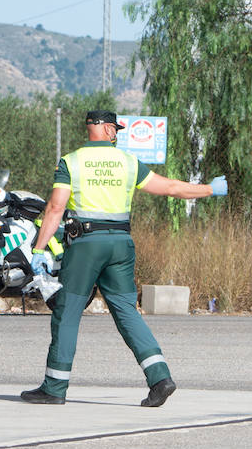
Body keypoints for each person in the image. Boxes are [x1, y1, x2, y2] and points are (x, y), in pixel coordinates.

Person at [19, 111, 228, 407]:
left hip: (86, 245)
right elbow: (170, 187)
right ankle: (160, 378)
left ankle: (54, 387)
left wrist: (39, 250)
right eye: (115, 128)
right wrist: (210, 189)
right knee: (127, 312)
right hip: (121, 245)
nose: (116, 132)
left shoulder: (72, 161)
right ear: (106, 129)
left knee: (67, 312)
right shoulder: (128, 162)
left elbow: (55, 207)